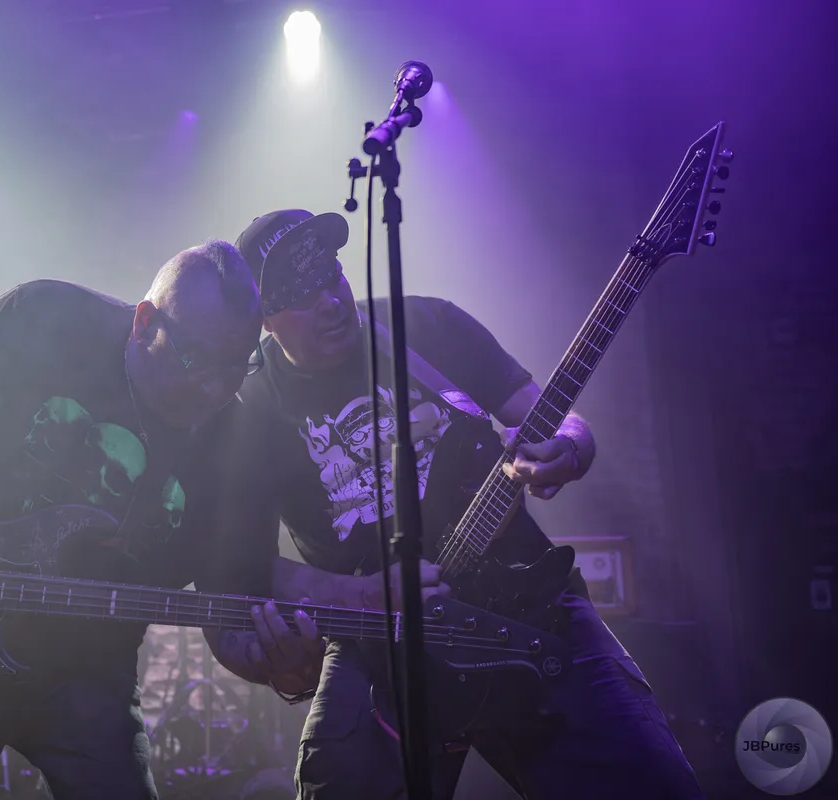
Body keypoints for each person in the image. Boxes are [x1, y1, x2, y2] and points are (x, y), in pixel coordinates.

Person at [0, 240, 331, 800]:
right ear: (145, 322)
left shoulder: (234, 446)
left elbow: (226, 614)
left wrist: (278, 667)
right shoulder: (43, 318)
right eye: (196, 360)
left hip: (87, 673)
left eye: (236, 367)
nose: (215, 388)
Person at [230, 209, 707, 800]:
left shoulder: (428, 326)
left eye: (332, 275)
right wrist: (361, 595)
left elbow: (562, 420)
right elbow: (246, 567)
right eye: (302, 295)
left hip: (528, 606)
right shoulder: (248, 409)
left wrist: (569, 451)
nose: (329, 301)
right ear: (264, 318)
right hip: (383, 649)